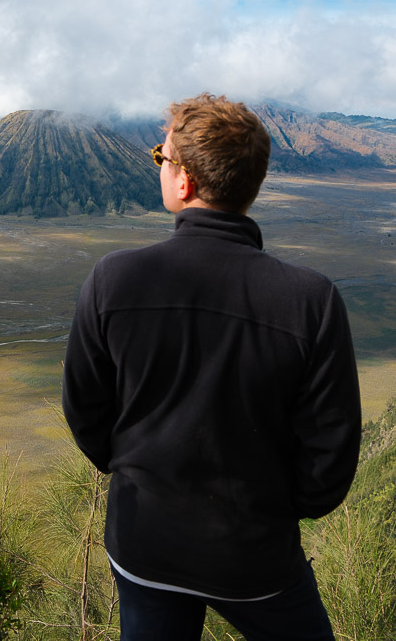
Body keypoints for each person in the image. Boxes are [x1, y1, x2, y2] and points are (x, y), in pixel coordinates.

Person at [62, 93, 361, 641]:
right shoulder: (310, 300)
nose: (160, 166)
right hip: (255, 555)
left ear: (185, 181)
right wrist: (276, 509)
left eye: (161, 157)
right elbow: (332, 447)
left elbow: (85, 410)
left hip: (145, 543)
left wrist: (133, 469)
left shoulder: (114, 280)